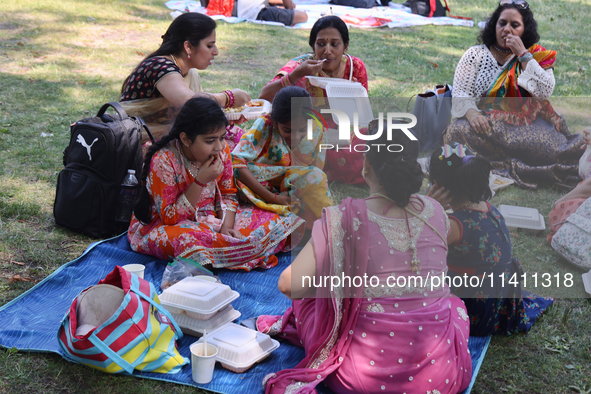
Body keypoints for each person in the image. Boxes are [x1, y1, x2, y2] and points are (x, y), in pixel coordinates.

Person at [256, 123, 472, 394]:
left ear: (366, 163)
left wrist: (336, 283)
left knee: (311, 299)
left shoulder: (341, 219)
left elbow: (289, 285)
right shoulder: (437, 211)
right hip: (440, 376)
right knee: (453, 304)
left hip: (361, 377)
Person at [128, 97, 304, 271]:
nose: (219, 147)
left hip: (214, 220)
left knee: (280, 220)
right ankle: (245, 250)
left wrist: (226, 228)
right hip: (170, 226)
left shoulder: (222, 150)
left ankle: (234, 249)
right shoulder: (164, 160)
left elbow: (228, 195)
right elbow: (169, 216)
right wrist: (200, 181)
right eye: (210, 141)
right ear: (186, 139)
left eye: (222, 137)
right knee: (189, 242)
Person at [444, 0, 583, 190]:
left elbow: (544, 91)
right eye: (502, 23)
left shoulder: (536, 56)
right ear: (494, 26)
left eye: (515, 25)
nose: (507, 30)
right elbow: (461, 93)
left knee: (554, 148)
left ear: (524, 30)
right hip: (486, 126)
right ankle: (521, 163)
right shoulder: (475, 55)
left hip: (525, 127)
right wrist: (473, 114)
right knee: (456, 131)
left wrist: (523, 55)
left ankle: (517, 161)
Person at [428, 143, 553, 336]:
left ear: (436, 185)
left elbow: (418, 249)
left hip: (475, 314)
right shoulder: (488, 208)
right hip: (500, 303)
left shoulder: (453, 225)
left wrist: (431, 208)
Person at [259, 16, 370, 185]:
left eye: (334, 44)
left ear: (345, 46)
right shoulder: (301, 66)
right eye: (321, 44)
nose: (327, 50)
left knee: (374, 138)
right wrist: (296, 75)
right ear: (313, 46)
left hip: (343, 133)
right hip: (308, 133)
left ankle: (330, 167)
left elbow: (361, 114)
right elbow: (264, 96)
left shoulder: (355, 67)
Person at [119, 12, 250, 144]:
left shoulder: (188, 72)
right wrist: (228, 98)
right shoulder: (160, 66)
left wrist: (224, 118)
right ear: (188, 47)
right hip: (140, 144)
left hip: (169, 137)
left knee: (235, 136)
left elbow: (194, 116)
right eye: (209, 46)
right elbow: (189, 102)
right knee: (220, 145)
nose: (216, 51)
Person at [232, 86, 332, 228]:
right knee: (245, 170)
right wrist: (272, 197)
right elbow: (236, 161)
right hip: (262, 187)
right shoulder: (265, 124)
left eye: (302, 130)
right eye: (287, 130)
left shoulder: (317, 129)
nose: (296, 137)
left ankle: (325, 228)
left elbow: (315, 172)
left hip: (295, 188)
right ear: (275, 121)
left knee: (316, 177)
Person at [236, 0, 308, 26]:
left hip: (245, 11)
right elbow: (289, 8)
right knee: (303, 16)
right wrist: (289, 5)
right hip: (257, 12)